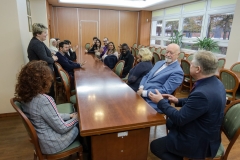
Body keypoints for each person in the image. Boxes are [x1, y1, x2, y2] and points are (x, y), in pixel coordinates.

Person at [149, 51, 226, 160]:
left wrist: (160, 101)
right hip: (207, 130)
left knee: (155, 146)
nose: (189, 65)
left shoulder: (202, 93)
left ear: (198, 69)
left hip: (200, 141)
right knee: (170, 122)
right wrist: (177, 101)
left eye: (191, 64)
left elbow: (180, 118)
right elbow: (199, 104)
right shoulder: (216, 83)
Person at [14, 60, 79, 154]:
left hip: (44, 141)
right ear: (43, 80)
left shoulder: (25, 96)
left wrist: (69, 116)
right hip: (53, 144)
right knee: (82, 126)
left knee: (75, 119)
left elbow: (50, 116)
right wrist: (76, 119)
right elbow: (62, 128)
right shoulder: (44, 100)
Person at [137, 43, 183, 113]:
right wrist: (141, 87)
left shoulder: (177, 72)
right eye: (167, 52)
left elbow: (165, 91)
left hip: (152, 102)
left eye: (171, 53)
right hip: (141, 95)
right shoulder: (159, 63)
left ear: (178, 54)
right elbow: (147, 76)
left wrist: (143, 92)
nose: (167, 55)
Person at [27, 23, 58, 100]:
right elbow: (44, 59)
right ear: (38, 34)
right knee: (48, 94)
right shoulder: (36, 44)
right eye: (44, 32)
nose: (46, 34)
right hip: (42, 73)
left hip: (44, 72)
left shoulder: (39, 42)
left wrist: (51, 55)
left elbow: (46, 54)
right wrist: (53, 59)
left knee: (50, 93)